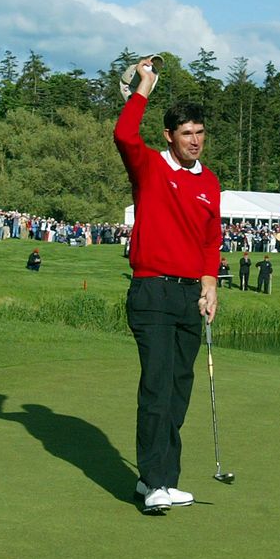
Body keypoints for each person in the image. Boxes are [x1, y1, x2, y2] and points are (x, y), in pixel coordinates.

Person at [114, 55, 220, 514]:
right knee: (157, 387)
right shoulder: (150, 168)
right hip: (152, 291)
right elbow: (123, 134)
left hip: (188, 297)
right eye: (186, 134)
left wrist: (210, 283)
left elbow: (210, 239)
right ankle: (155, 481)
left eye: (199, 133)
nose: (194, 141)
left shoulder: (210, 183)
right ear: (169, 137)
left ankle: (158, 480)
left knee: (178, 389)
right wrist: (144, 86)